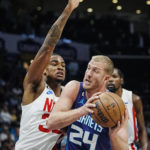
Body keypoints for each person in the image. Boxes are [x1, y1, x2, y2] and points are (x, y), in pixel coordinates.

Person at [15, 0, 80, 149]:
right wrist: (68, 10)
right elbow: (47, 47)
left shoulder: (68, 98)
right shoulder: (35, 86)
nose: (60, 67)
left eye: (63, 65)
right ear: (44, 69)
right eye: (54, 63)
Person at [47, 55, 129, 150]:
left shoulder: (115, 107)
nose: (89, 74)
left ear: (106, 79)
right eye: (88, 68)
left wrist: (114, 137)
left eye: (95, 71)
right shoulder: (75, 88)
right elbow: (51, 123)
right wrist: (82, 111)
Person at [107, 67, 148, 150]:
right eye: (108, 77)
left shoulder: (134, 99)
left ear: (121, 80)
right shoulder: (100, 100)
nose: (110, 80)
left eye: (114, 76)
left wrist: (144, 148)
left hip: (127, 146)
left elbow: (142, 128)